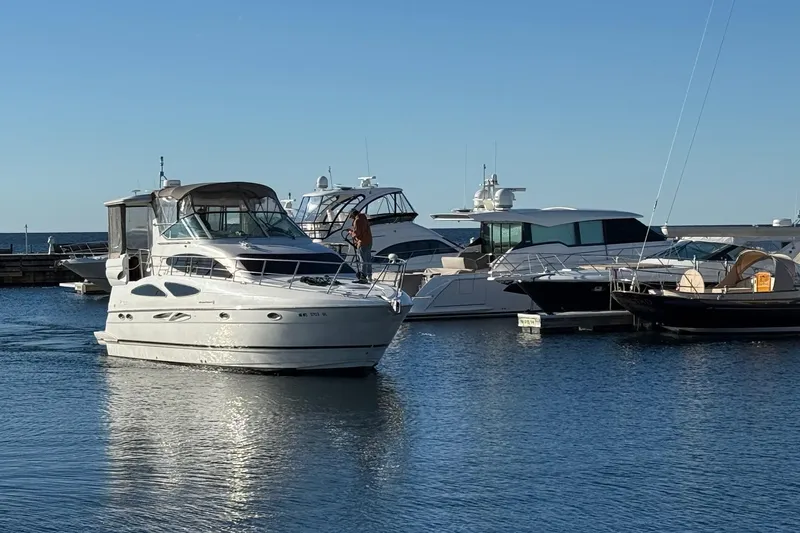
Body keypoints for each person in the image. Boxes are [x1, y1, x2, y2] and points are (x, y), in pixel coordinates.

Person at [348, 208, 373, 282]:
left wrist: (350, 232)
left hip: (362, 242)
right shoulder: (364, 218)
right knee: (368, 259)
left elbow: (357, 233)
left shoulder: (358, 220)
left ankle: (363, 276)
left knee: (362, 260)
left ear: (353, 214)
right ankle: (369, 275)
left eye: (351, 216)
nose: (351, 218)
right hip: (369, 241)